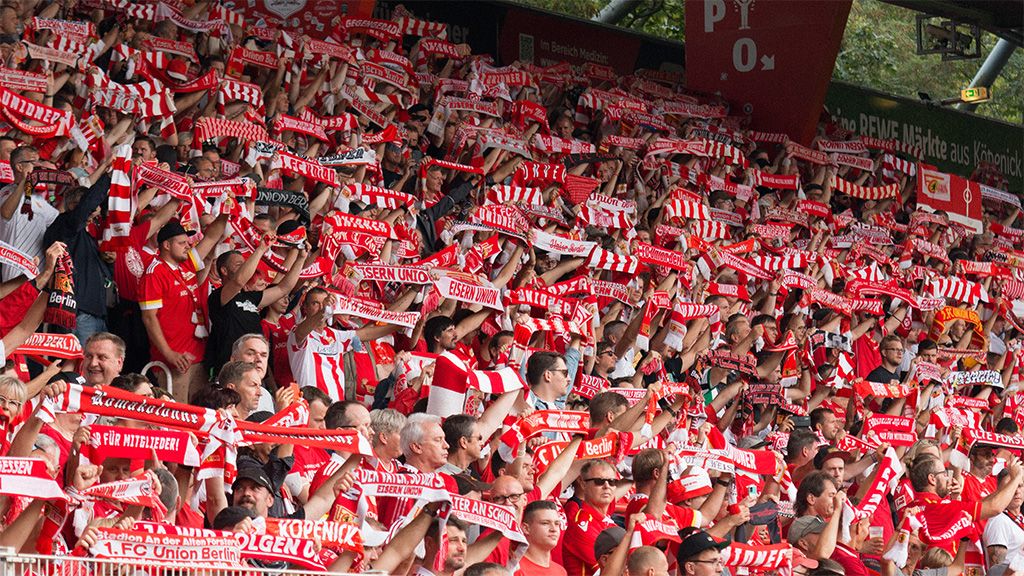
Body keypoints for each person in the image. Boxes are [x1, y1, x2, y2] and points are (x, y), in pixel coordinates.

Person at [140, 219, 223, 403]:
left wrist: (225, 213)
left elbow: (211, 236)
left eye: (188, 242)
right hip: (174, 361)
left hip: (197, 357)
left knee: (200, 413)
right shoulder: (154, 272)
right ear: (167, 245)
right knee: (177, 417)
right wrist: (169, 353)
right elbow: (148, 318)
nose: (188, 246)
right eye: (182, 243)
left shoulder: (185, 264)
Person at [519, 500, 567, 576]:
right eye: (545, 523)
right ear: (526, 528)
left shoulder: (561, 572)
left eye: (557, 524)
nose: (553, 529)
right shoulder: (515, 568)